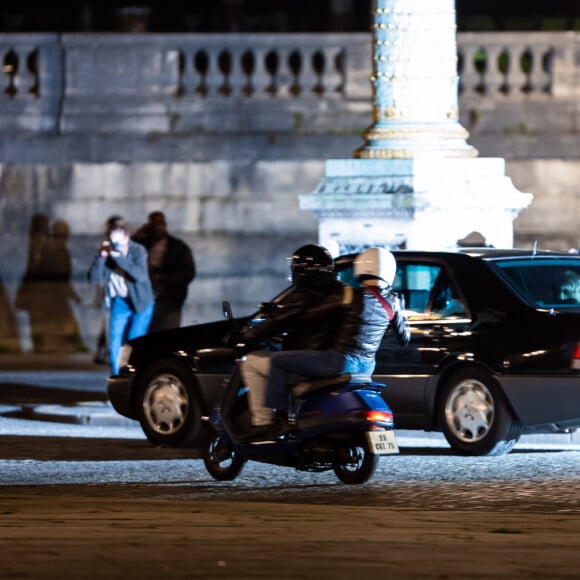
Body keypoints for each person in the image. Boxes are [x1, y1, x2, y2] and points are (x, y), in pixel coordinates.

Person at [242, 246, 410, 441]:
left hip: (338, 360)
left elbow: (310, 315)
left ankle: (276, 421)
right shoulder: (394, 302)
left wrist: (279, 318)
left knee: (277, 362)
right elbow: (404, 339)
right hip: (367, 366)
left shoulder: (349, 295)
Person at [240, 244, 356, 440]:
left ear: (299, 270)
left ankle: (266, 422)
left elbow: (280, 321)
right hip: (337, 355)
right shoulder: (342, 290)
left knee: (252, 363)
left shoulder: (304, 293)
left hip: (312, 357)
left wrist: (249, 336)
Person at [87, 218, 154, 374]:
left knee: (134, 340)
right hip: (120, 301)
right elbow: (94, 278)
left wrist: (118, 257)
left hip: (141, 302)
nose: (115, 242)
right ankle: (117, 375)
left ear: (127, 236)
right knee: (114, 341)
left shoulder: (138, 250)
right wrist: (101, 257)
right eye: (112, 237)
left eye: (119, 238)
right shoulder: (109, 254)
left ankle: (133, 374)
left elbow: (139, 275)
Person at [132, 211, 195, 333]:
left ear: (165, 224)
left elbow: (188, 273)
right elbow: (127, 253)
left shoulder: (178, 247)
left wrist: (162, 277)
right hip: (146, 299)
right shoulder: (143, 244)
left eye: (159, 223)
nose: (157, 227)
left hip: (170, 299)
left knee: (167, 336)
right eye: (153, 224)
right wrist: (138, 235)